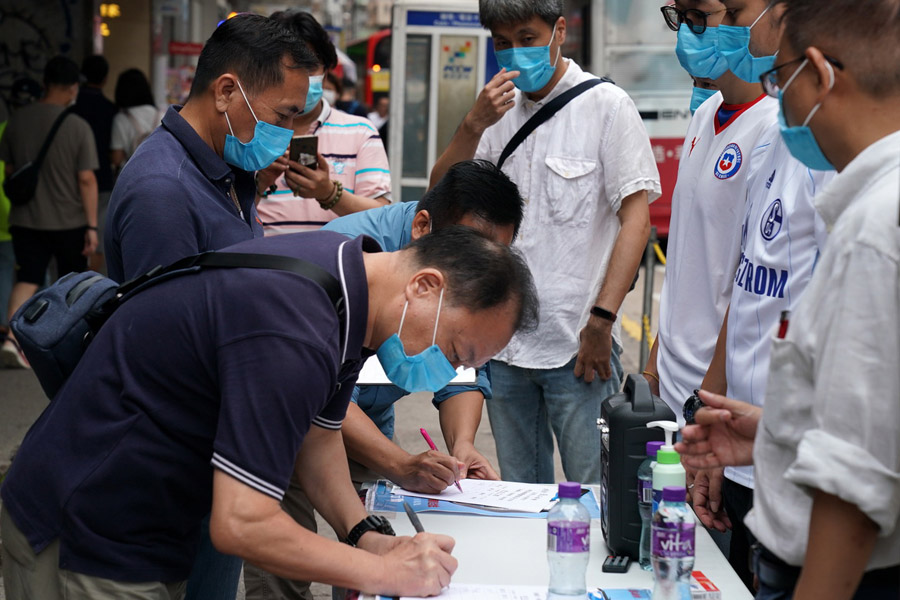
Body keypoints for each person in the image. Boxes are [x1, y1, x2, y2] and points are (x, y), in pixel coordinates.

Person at [0, 226, 539, 600]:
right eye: (455, 352)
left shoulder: (350, 281)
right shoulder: (294, 327)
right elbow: (243, 523)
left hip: (143, 516)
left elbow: (320, 435)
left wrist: (365, 533)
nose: (445, 373)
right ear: (425, 287)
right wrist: (382, 569)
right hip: (87, 528)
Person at [675, 0, 900, 597]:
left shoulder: (874, 226)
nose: (778, 101)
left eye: (781, 80)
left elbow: (855, 474)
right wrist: (774, 433)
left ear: (822, 76)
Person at [243, 159, 524, 600]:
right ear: (423, 229)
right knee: (284, 563)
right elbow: (244, 518)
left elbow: (325, 422)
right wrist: (395, 468)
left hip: (335, 421)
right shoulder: (332, 282)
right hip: (274, 431)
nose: (481, 271)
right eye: (471, 252)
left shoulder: (415, 286)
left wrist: (462, 446)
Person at [428, 0, 660, 485]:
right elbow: (440, 198)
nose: (516, 54)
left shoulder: (607, 107)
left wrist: (601, 322)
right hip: (503, 344)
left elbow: (636, 222)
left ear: (558, 31)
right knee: (518, 491)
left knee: (595, 490)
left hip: (577, 348)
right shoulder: (494, 113)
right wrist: (472, 125)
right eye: (503, 44)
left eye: (527, 38)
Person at [683, 0, 835, 588]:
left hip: (800, 468)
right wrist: (711, 413)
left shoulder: (835, 169)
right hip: (748, 448)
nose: (719, 30)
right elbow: (748, 288)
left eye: (733, 11)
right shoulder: (781, 141)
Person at [104, 14, 312, 284]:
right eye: (282, 115)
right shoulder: (163, 190)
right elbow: (167, 320)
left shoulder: (226, 165)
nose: (289, 130)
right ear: (225, 92)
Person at [0, 57, 99, 368]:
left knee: (27, 278)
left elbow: (11, 171)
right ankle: (71, 343)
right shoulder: (77, 126)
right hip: (69, 221)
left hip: (26, 219)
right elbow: (86, 179)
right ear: (72, 88)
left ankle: (12, 341)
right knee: (73, 283)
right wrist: (92, 226)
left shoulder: (17, 120)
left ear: (45, 84)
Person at [255, 10, 391, 234]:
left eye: (309, 67)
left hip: (338, 267)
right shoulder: (245, 129)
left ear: (326, 72)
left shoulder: (361, 133)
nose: (299, 79)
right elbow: (224, 217)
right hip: (266, 267)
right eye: (288, 67)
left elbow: (383, 219)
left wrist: (329, 193)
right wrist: (259, 184)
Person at [0, 78, 41, 345]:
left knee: (4, 272)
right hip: (19, 211)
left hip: (5, 212)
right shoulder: (32, 132)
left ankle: (5, 329)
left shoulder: (6, 129)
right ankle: (32, 330)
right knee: (34, 274)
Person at [72, 55, 117, 274]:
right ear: (105, 78)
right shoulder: (110, 110)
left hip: (68, 182)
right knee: (96, 239)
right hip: (102, 181)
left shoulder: (72, 107)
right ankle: (91, 287)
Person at [110, 68, 161, 171]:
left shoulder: (121, 119)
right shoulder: (161, 115)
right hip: (159, 173)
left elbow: (117, 158)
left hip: (132, 176)